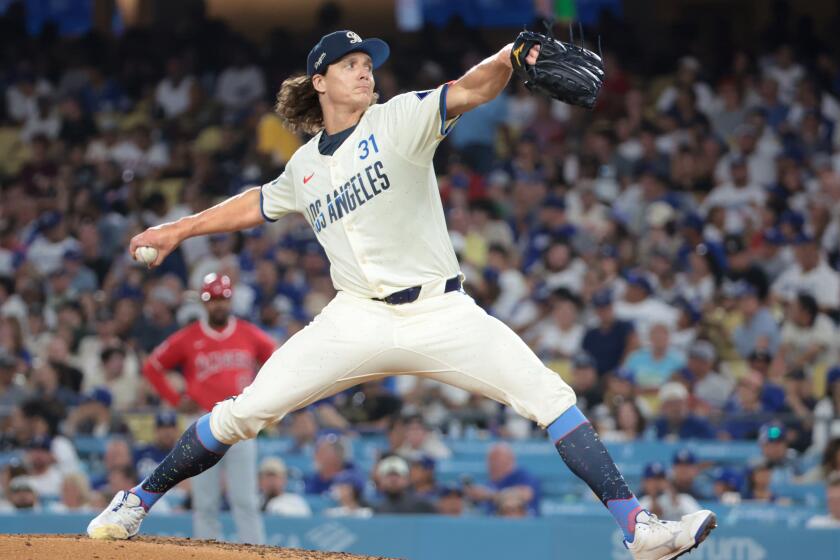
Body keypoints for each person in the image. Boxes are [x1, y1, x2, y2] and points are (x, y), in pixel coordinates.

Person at [87, 29, 715, 559]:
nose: (366, 74)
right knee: (245, 412)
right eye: (353, 66)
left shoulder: (399, 120)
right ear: (320, 82)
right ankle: (135, 501)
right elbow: (256, 203)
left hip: (442, 311)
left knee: (550, 395)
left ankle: (640, 529)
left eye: (369, 65)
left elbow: (467, 89)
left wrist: (508, 58)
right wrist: (180, 228)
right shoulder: (304, 167)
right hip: (354, 320)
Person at [134, 272, 276, 543]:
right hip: (203, 423)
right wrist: (176, 400)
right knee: (205, 501)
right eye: (212, 299)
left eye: (222, 298)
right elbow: (152, 367)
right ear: (203, 302)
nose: (218, 305)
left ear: (230, 299)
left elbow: (278, 357)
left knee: (245, 499)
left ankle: (257, 552)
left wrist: (264, 395)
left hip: (240, 420)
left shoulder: (248, 334)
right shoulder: (189, 337)